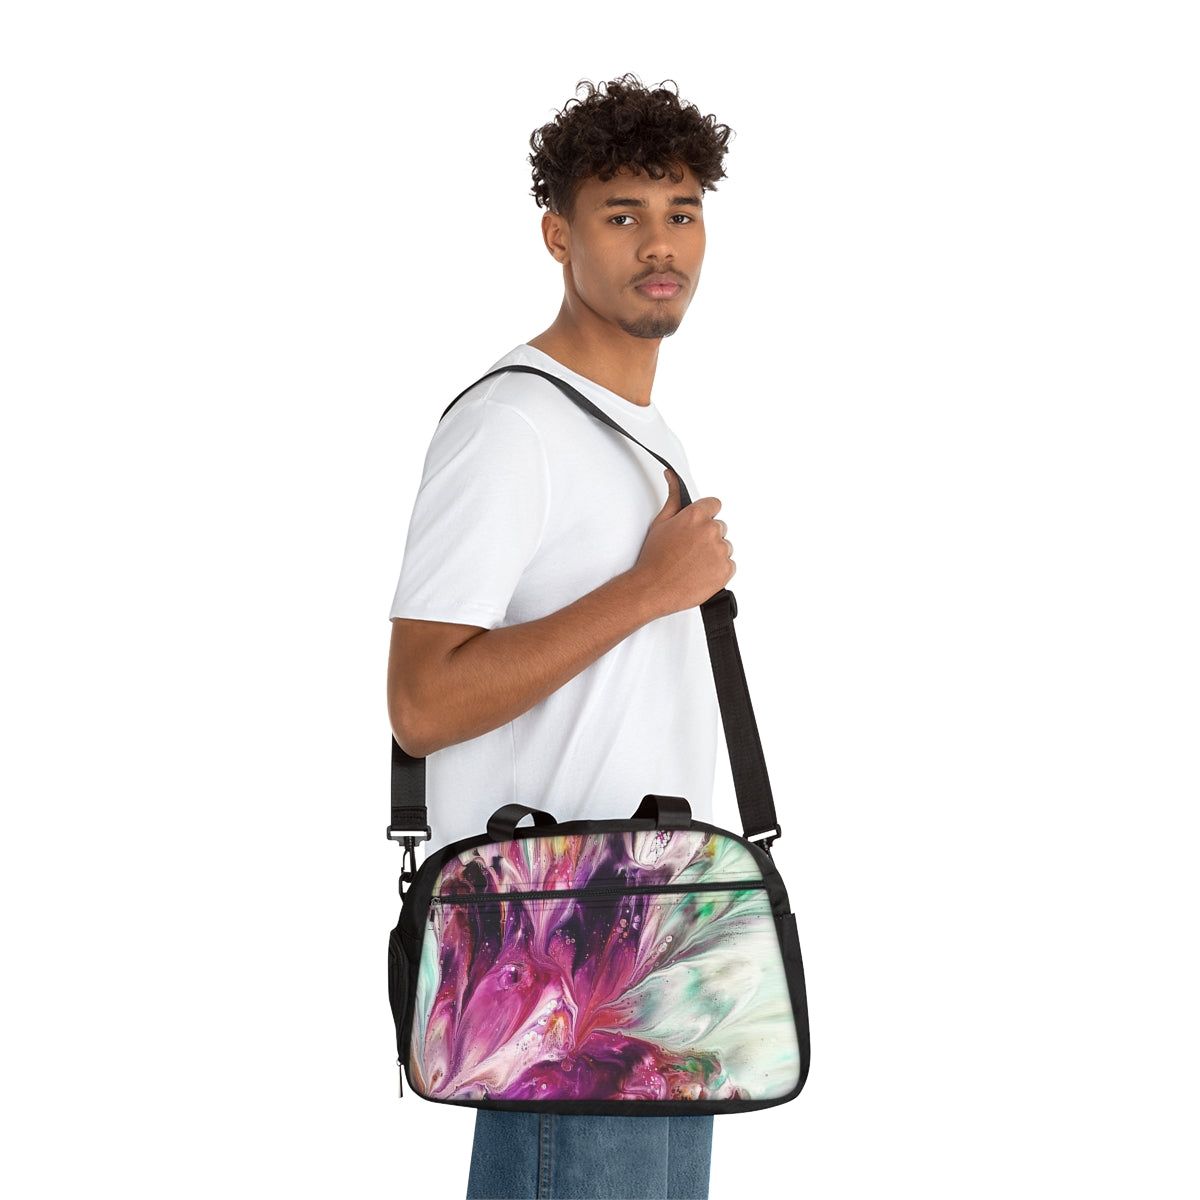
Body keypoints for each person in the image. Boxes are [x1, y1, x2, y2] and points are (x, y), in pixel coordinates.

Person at [387, 75, 736, 1200]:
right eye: (621, 214)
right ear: (558, 234)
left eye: (681, 211)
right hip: (555, 948)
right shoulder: (513, 424)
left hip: (656, 938)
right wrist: (647, 590)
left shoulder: (644, 432)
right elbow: (421, 704)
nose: (659, 243)